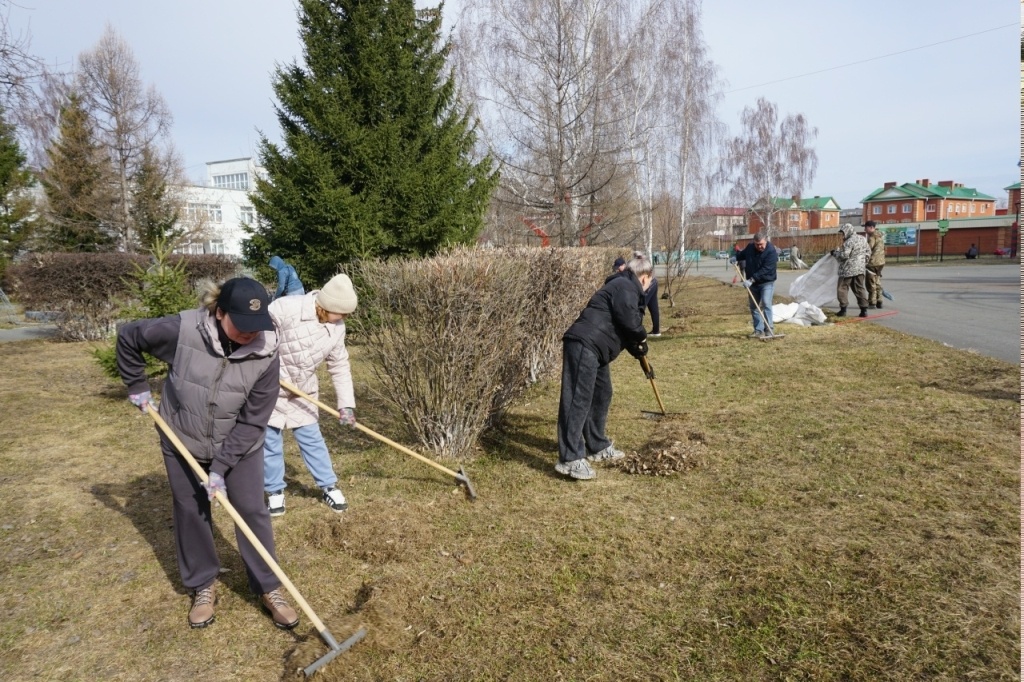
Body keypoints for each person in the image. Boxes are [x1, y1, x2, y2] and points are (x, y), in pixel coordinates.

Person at [116, 277, 299, 631]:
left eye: (255, 328)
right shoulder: (181, 330)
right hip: (181, 437)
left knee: (251, 510)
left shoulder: (266, 355)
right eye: (242, 326)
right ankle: (203, 584)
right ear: (218, 312)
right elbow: (128, 336)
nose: (250, 334)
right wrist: (137, 386)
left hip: (239, 445)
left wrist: (221, 468)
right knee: (191, 509)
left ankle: (269, 586)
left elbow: (253, 421)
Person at [264, 273, 359, 517]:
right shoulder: (286, 308)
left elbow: (339, 365)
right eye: (342, 312)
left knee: (312, 440)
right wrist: (265, 368)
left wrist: (346, 405)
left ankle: (329, 486)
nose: (344, 318)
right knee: (270, 441)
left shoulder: (336, 328)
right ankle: (275, 491)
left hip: (302, 391)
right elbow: (259, 337)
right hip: (270, 386)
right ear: (327, 306)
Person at [556, 253, 653, 480]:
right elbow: (630, 323)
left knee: (602, 393)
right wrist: (642, 336)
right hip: (584, 344)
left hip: (597, 350)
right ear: (645, 277)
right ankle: (570, 459)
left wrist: (637, 348)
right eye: (650, 281)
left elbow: (624, 325)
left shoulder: (626, 288)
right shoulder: (624, 286)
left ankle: (596, 445)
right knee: (577, 400)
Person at [732, 232, 778, 338]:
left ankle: (769, 330)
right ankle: (758, 330)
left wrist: (751, 279)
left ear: (765, 241)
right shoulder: (750, 247)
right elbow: (742, 254)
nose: (759, 247)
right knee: (754, 307)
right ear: (754, 242)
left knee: (766, 304)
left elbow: (766, 269)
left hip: (766, 282)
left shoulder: (771, 251)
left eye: (761, 244)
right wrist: (736, 257)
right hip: (753, 284)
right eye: (757, 244)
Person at [616, 252, 661, 337]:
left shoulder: (634, 268)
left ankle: (637, 331)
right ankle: (656, 330)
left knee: (641, 306)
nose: (617, 270)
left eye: (618, 268)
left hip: (649, 284)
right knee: (653, 307)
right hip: (653, 283)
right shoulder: (643, 265)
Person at [832, 223, 871, 317]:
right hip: (860, 269)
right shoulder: (863, 239)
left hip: (847, 270)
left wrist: (835, 253)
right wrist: (863, 263)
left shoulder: (848, 242)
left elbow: (844, 255)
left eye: (843, 233)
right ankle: (864, 310)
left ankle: (843, 309)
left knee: (842, 288)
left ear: (847, 231)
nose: (843, 235)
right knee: (859, 288)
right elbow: (868, 252)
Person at [863, 221, 886, 309]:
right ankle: (879, 300)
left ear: (871, 227)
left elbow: (868, 249)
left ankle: (872, 302)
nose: (865, 229)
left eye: (866, 227)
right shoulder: (880, 236)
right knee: (877, 282)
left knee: (870, 283)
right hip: (881, 262)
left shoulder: (872, 237)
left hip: (872, 263)